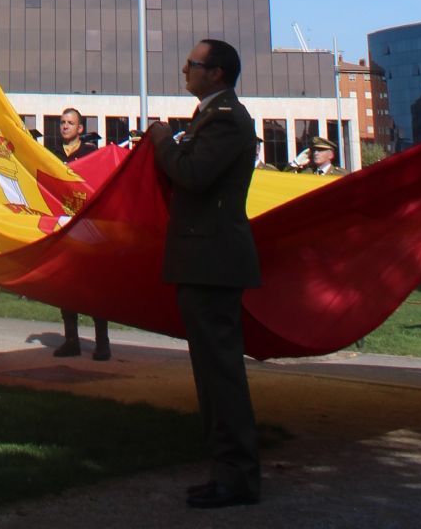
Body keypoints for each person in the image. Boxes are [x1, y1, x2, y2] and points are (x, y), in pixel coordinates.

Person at [149, 39, 260, 511]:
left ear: (216, 73)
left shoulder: (227, 120)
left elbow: (192, 174)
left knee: (221, 374)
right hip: (203, 260)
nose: (184, 70)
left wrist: (160, 140)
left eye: (192, 64)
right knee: (211, 374)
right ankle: (224, 471)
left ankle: (236, 476)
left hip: (213, 262)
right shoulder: (211, 117)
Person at [49, 106, 110, 361]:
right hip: (62, 226)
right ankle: (71, 339)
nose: (65, 126)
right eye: (62, 122)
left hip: (87, 228)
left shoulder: (91, 154)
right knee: (65, 284)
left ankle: (102, 341)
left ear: (80, 128)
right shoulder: (50, 155)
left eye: (70, 123)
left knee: (94, 286)